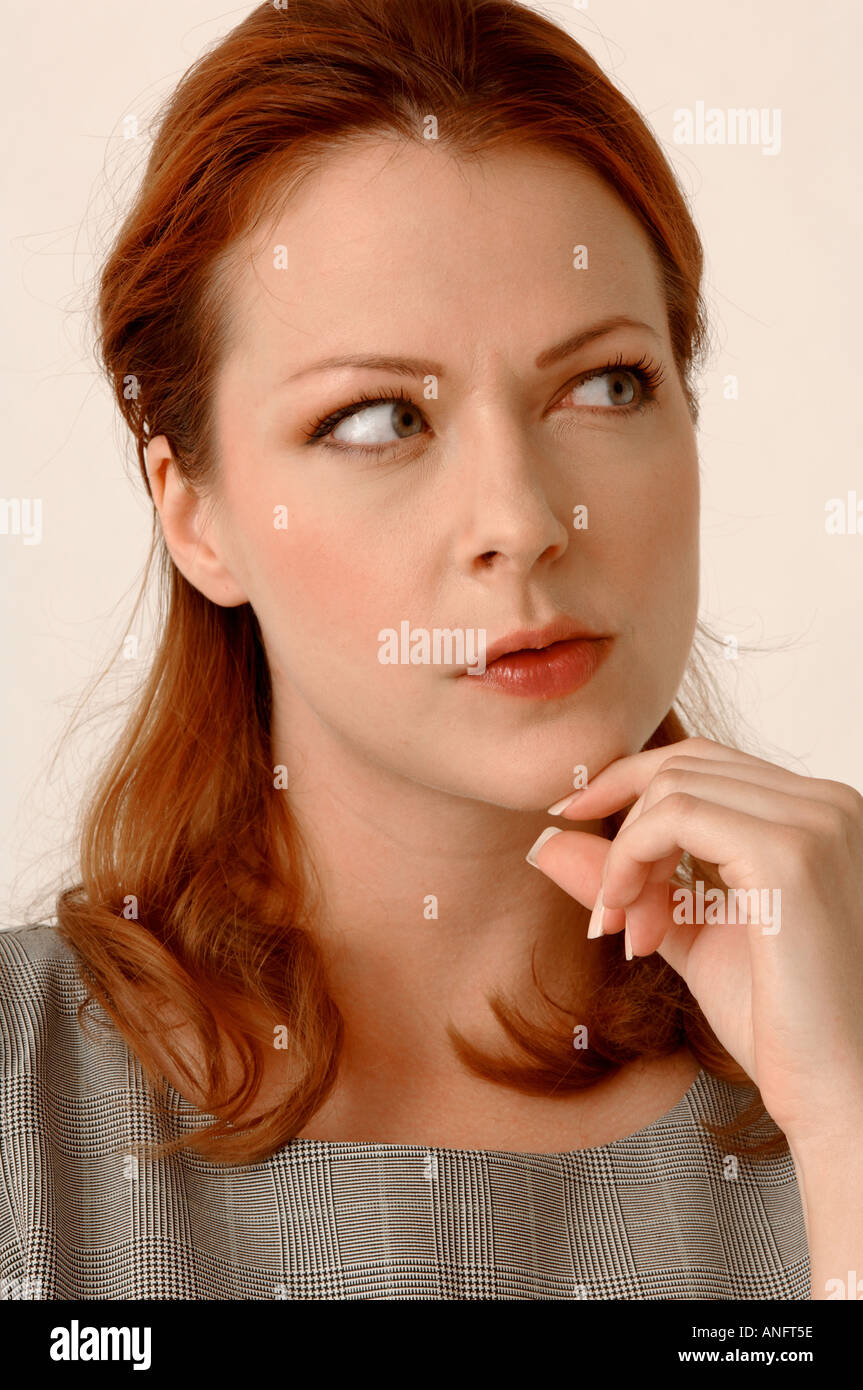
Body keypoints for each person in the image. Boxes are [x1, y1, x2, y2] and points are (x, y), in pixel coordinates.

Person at [1, 0, 860, 1302]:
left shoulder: (844, 1041)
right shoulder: (23, 1106)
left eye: (606, 384)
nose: (522, 520)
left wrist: (847, 1118)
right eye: (379, 417)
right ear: (197, 514)